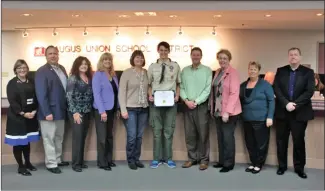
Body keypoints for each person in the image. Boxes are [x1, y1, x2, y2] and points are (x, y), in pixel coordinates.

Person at [273, 47, 315, 179]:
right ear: (288, 57)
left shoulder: (308, 72)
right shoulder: (281, 71)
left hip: (300, 113)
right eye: (291, 55)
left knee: (298, 142)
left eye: (296, 55)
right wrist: (286, 103)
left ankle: (299, 168)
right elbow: (277, 89)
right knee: (281, 141)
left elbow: (309, 91)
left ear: (300, 57)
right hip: (282, 112)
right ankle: (282, 166)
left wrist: (295, 104)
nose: (293, 57)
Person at [35, 46, 69, 174]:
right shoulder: (41, 71)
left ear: (58, 55)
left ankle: (58, 159)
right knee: (49, 138)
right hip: (48, 113)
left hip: (61, 111)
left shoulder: (62, 69)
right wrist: (46, 112)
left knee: (59, 137)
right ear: (46, 56)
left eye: (55, 53)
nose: (53, 55)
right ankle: (51, 163)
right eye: (50, 54)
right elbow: (41, 94)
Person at [147, 41, 181, 169]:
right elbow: (149, 85)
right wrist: (150, 95)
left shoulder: (175, 66)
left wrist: (177, 95)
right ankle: (156, 159)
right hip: (156, 102)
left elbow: (178, 84)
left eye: (165, 50)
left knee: (168, 131)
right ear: (158, 51)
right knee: (156, 131)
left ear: (169, 51)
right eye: (161, 50)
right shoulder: (152, 66)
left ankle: (168, 159)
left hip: (171, 103)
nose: (163, 52)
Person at [5, 59, 40, 176]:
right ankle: (21, 166)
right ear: (15, 70)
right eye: (19, 68)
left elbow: (36, 97)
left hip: (30, 117)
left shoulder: (31, 81)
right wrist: (22, 113)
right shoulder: (12, 83)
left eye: (24, 67)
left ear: (27, 69)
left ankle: (28, 163)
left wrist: (34, 111)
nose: (22, 70)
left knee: (27, 142)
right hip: (17, 118)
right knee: (18, 143)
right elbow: (13, 101)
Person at [209, 49, 242, 173]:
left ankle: (229, 164)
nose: (222, 60)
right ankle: (222, 161)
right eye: (220, 58)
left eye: (225, 58)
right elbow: (214, 92)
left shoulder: (233, 73)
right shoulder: (218, 72)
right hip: (218, 111)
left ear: (229, 59)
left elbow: (234, 94)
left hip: (230, 113)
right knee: (220, 137)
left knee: (228, 138)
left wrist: (227, 112)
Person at [180, 47, 212, 171]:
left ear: (201, 56)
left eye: (198, 55)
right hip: (187, 106)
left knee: (203, 134)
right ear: (191, 56)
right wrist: (186, 101)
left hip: (201, 106)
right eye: (194, 55)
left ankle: (204, 160)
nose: (196, 57)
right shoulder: (185, 71)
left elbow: (207, 90)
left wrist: (196, 102)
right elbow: (181, 87)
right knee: (190, 134)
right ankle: (192, 158)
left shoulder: (207, 70)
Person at [239, 61, 275, 174]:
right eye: (250, 69)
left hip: (261, 119)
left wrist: (270, 117)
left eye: (254, 69)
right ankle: (253, 162)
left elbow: (271, 101)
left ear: (258, 71)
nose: (252, 71)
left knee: (261, 143)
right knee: (250, 143)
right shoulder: (243, 85)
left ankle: (259, 164)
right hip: (246, 119)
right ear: (248, 70)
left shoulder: (265, 85)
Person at [118, 50, 149, 170]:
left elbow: (149, 88)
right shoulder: (127, 73)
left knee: (139, 136)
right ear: (133, 59)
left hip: (143, 108)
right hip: (130, 109)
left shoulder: (146, 73)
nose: (139, 60)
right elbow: (122, 92)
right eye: (137, 57)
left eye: (141, 58)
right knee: (132, 136)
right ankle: (130, 159)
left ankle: (137, 158)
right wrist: (123, 109)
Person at [92, 52, 119, 171]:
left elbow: (116, 93)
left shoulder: (113, 75)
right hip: (101, 110)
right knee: (102, 137)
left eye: (109, 60)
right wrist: (102, 111)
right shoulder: (98, 75)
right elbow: (97, 94)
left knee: (109, 136)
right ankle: (102, 162)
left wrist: (117, 108)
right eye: (105, 60)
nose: (107, 62)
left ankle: (109, 159)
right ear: (101, 61)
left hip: (112, 109)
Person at [66, 56, 93, 172]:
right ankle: (76, 164)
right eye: (81, 64)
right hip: (76, 112)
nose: (84, 66)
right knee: (78, 138)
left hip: (87, 111)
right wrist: (75, 112)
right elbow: (68, 96)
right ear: (77, 65)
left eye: (86, 64)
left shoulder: (89, 77)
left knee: (83, 137)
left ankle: (80, 162)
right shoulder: (73, 78)